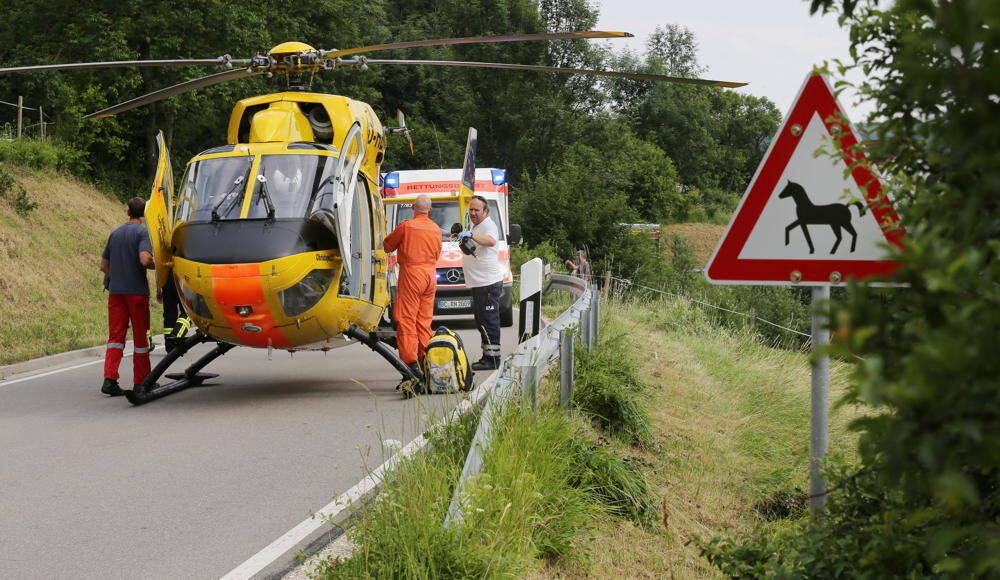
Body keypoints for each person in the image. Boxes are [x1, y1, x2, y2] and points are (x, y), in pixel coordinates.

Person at [99, 197, 155, 396]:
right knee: (140, 338)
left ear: (128, 211)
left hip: (116, 293)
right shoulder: (142, 232)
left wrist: (118, 277)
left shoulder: (115, 233)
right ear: (143, 214)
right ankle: (142, 381)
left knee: (115, 337)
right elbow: (144, 258)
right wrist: (156, 265)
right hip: (136, 293)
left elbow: (104, 266)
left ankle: (109, 379)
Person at [383, 194, 442, 378]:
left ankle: (409, 363)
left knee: (407, 318)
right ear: (430, 210)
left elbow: (387, 245)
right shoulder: (436, 229)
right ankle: (426, 360)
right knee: (424, 320)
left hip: (412, 274)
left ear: (413, 208)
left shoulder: (406, 226)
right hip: (430, 275)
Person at [457, 195, 504, 370]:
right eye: (471, 209)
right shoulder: (477, 226)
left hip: (488, 284)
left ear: (485, 211)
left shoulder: (488, 225)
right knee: (482, 321)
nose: (473, 212)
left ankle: (493, 360)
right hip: (479, 284)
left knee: (489, 321)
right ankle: (487, 356)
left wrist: (472, 234)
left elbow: (491, 241)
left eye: (477, 210)